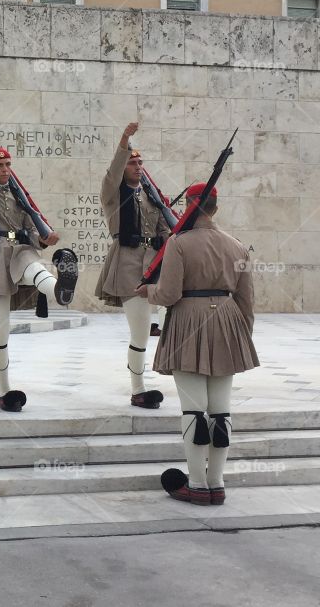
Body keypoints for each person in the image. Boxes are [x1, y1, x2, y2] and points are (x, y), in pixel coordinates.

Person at [136, 183, 258, 505]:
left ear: (188, 207)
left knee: (193, 410)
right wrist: (241, 334)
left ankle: (197, 484)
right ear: (215, 208)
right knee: (220, 412)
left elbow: (169, 294)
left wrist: (147, 291)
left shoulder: (178, 243)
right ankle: (216, 484)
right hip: (228, 321)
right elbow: (246, 302)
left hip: (189, 319)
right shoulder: (238, 247)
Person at [0, 120, 78, 412]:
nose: (5, 169)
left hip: (20, 249)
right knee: (0, 333)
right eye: (0, 165)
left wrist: (45, 238)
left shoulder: (19, 198)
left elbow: (32, 229)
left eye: (8, 164)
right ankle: (4, 391)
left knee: (36, 267)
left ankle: (61, 290)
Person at [96, 122, 170, 409]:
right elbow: (112, 173)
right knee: (140, 330)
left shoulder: (152, 197)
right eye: (132, 162)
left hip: (156, 263)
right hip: (127, 263)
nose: (138, 167)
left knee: (171, 311)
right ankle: (138, 389)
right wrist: (124, 140)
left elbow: (165, 227)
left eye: (140, 162)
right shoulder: (112, 194)